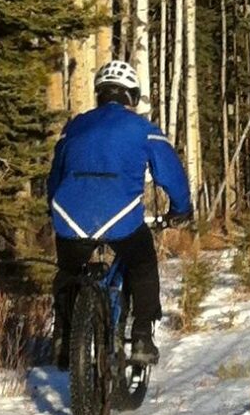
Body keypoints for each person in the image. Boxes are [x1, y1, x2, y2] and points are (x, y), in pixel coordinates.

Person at [47, 60, 192, 369]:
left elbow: (55, 176)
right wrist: (181, 209)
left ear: (100, 95)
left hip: (69, 215)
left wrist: (55, 211)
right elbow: (172, 175)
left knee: (68, 272)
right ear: (132, 97)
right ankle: (141, 336)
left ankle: (63, 337)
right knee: (142, 262)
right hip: (121, 216)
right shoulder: (143, 129)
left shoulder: (74, 127)